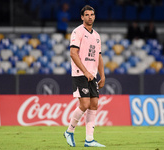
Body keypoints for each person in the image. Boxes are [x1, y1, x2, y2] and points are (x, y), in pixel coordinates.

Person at [64, 5, 105, 147]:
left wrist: (103, 75)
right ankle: (69, 131)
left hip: (92, 75)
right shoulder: (77, 32)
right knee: (85, 104)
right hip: (80, 73)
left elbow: (99, 57)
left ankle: (89, 139)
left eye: (92, 14)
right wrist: (85, 71)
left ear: (94, 16)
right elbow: (73, 53)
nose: (90, 17)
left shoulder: (97, 36)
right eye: (87, 15)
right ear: (82, 17)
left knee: (94, 104)